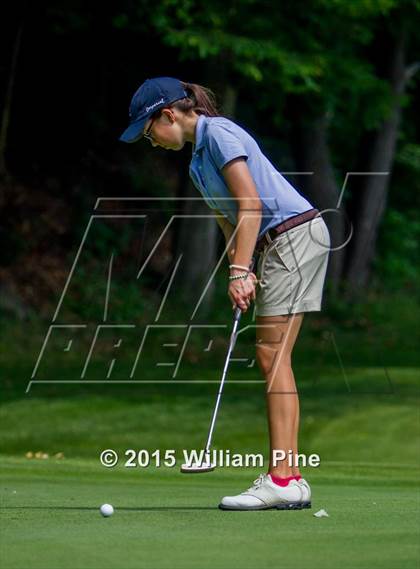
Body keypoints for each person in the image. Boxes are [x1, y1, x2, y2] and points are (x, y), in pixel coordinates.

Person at [119, 76, 331, 511]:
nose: (151, 141)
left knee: (273, 356)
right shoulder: (197, 163)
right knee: (273, 357)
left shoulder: (217, 133)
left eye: (148, 131)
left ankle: (283, 478)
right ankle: (289, 479)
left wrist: (239, 270)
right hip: (276, 243)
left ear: (168, 115)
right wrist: (243, 269)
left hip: (294, 235)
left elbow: (251, 203)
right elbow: (232, 221)